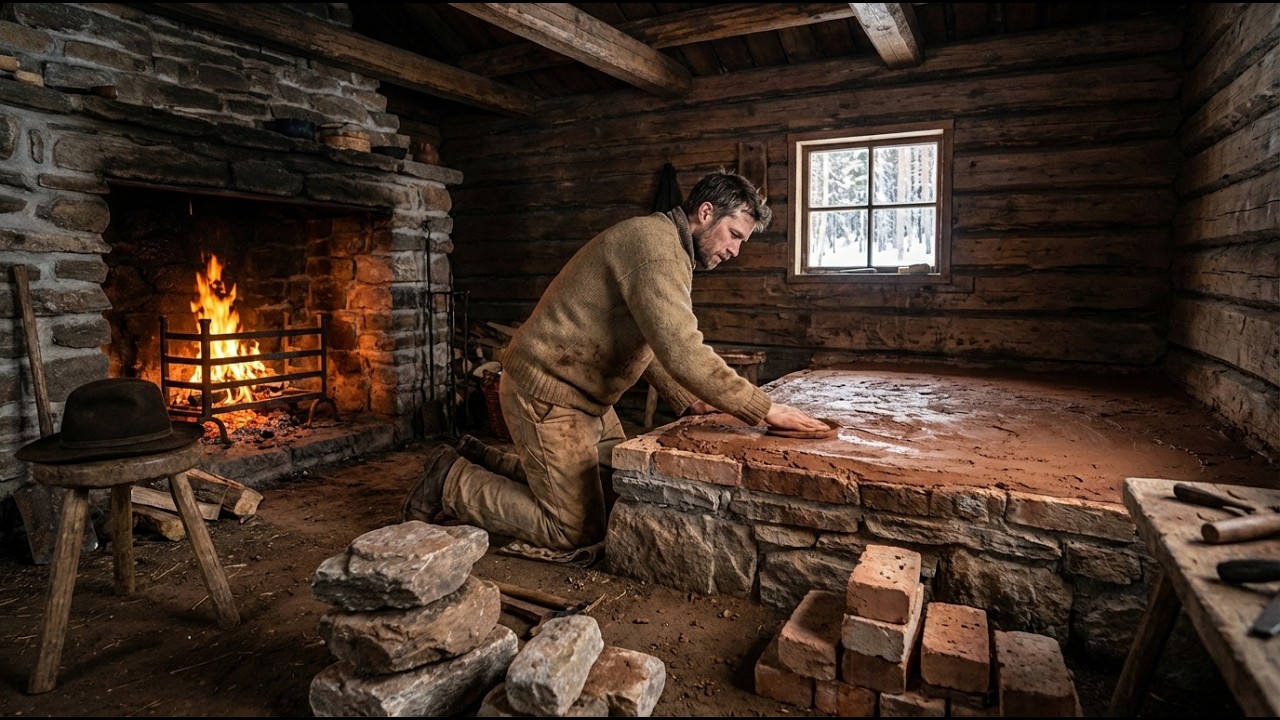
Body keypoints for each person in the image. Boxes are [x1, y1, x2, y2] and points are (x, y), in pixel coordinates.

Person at [403, 169, 830, 554]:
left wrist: (689, 400)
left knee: (616, 491)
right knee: (575, 529)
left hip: (588, 398)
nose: (737, 250)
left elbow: (651, 339)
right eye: (735, 235)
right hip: (549, 392)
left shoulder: (668, 246)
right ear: (705, 213)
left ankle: (479, 459)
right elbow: (682, 348)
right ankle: (451, 482)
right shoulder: (657, 249)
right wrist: (764, 408)